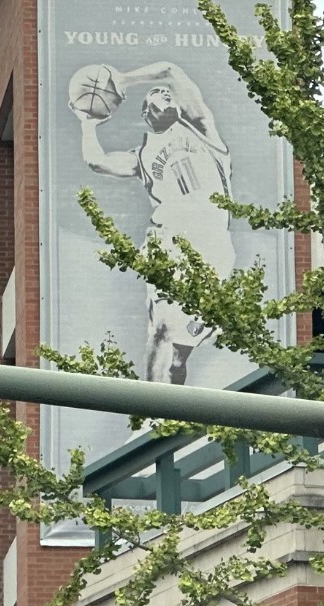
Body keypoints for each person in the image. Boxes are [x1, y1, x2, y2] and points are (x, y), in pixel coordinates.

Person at [80, 60, 237, 385]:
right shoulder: (142, 155)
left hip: (214, 246)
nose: (165, 93)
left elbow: (169, 70)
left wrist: (124, 78)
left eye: (168, 94)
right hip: (168, 243)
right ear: (146, 114)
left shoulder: (202, 129)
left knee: (209, 321)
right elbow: (96, 162)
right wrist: (86, 123)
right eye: (156, 95)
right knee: (163, 327)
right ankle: (152, 410)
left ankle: (178, 362)